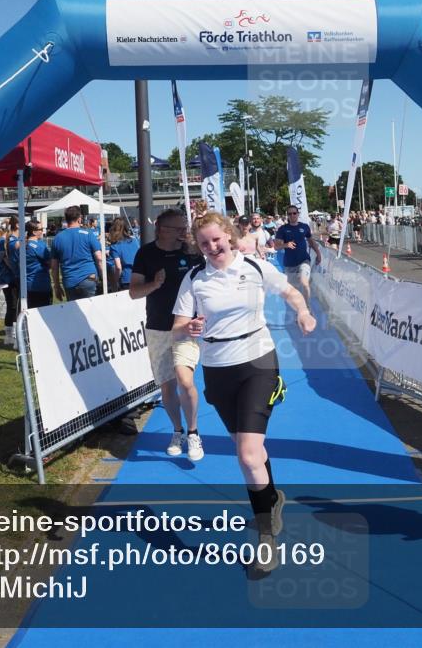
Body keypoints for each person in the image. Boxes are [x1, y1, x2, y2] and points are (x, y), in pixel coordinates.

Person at [172, 212, 317, 574]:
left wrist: (303, 312)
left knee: (247, 454)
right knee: (251, 451)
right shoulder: (194, 279)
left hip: (258, 362)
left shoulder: (254, 267)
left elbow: (291, 292)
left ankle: (266, 538)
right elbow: (175, 326)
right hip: (218, 371)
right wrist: (188, 326)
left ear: (230, 236)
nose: (212, 248)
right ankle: (272, 498)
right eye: (204, 243)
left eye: (217, 240)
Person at [130, 209, 205, 457]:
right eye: (177, 228)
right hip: (158, 326)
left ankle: (193, 433)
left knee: (185, 381)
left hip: (187, 327)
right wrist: (154, 284)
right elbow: (134, 291)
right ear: (161, 229)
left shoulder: (192, 252)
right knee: (167, 387)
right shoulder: (146, 253)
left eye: (185, 226)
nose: (183, 231)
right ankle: (178, 430)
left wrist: (197, 249)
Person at [51, 206, 104, 301]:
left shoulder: (57, 238)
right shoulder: (88, 234)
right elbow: (99, 258)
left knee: (74, 314)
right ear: (79, 219)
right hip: (88, 278)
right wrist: (103, 278)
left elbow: (54, 267)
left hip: (69, 281)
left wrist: (57, 286)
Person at [274, 205, 323, 303]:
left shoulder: (304, 227)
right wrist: (286, 244)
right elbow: (276, 247)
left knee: (304, 283)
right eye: (290, 214)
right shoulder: (282, 229)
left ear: (298, 214)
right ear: (287, 215)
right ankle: (298, 312)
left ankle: (307, 309)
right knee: (294, 291)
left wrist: (318, 254)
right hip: (290, 264)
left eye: (294, 213)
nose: (292, 215)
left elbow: (311, 242)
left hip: (304, 260)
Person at [15, 221, 53, 308]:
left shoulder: (22, 244)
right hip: (40, 285)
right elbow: (50, 263)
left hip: (26, 285)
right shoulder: (38, 246)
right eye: (41, 229)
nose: (43, 231)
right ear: (34, 232)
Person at [0, 216, 20, 346]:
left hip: (14, 277)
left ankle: (13, 336)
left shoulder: (10, 239)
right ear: (16, 225)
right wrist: (16, 270)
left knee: (15, 306)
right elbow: (3, 259)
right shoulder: (4, 241)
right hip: (9, 278)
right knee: (13, 306)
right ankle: (11, 337)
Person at [107, 218, 140, 292]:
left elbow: (118, 268)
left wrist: (114, 282)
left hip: (126, 279)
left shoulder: (115, 246)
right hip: (139, 277)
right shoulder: (135, 240)